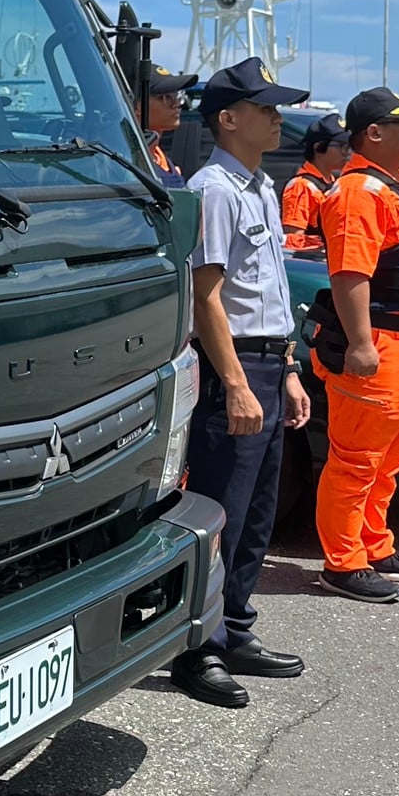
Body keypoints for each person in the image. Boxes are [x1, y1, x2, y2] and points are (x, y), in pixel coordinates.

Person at [174, 58, 314, 707]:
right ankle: (196, 649)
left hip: (265, 363)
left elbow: (270, 291)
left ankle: (235, 626)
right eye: (266, 107)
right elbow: (207, 299)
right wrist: (234, 382)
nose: (278, 116)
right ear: (229, 119)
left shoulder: (259, 186)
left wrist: (284, 370)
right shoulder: (214, 189)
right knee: (220, 514)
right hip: (232, 366)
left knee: (258, 515)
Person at [309, 86, 399, 604]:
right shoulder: (358, 193)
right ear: (374, 133)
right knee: (356, 459)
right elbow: (350, 275)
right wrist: (361, 344)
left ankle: (374, 545)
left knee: (390, 458)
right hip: (381, 346)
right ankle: (342, 564)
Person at [281, 113, 349, 249]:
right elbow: (293, 239)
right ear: (318, 147)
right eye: (341, 146)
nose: (346, 152)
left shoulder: (332, 180)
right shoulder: (301, 186)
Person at [145, 66, 201, 186]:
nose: (176, 104)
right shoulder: (124, 165)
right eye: (165, 97)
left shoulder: (164, 161)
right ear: (137, 105)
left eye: (177, 96)